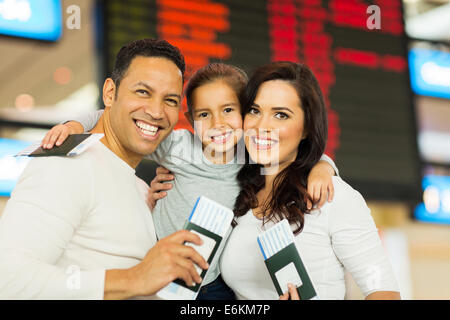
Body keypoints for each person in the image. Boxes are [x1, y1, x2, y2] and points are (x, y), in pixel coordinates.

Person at [41, 63, 339, 300]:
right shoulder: (177, 147)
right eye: (204, 115)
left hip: (216, 281)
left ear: (245, 114)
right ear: (189, 117)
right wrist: (75, 125)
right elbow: (115, 119)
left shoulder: (251, 155)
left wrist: (323, 167)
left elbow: (298, 153)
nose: (217, 123)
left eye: (228, 110)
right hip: (162, 273)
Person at [0, 39, 209, 299]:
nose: (156, 112)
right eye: (143, 92)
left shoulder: (142, 189)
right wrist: (136, 278)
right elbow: (8, 281)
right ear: (110, 93)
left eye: (170, 100)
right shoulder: (65, 165)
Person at [217, 61, 401, 300]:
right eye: (254, 110)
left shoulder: (333, 197)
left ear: (306, 128)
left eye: (281, 115)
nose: (262, 126)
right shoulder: (236, 193)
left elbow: (385, 294)